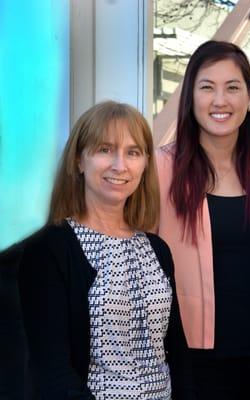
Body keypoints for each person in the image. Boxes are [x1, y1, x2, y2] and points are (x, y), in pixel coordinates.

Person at [155, 40, 250, 399]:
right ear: (190, 97)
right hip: (186, 365)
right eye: (207, 87)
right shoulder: (160, 169)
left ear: (249, 99)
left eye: (233, 87)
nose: (220, 100)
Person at [18, 101, 187, 399]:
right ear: (79, 160)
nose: (120, 165)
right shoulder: (49, 250)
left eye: (133, 152)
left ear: (145, 163)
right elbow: (52, 370)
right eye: (105, 149)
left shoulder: (157, 249)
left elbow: (178, 356)